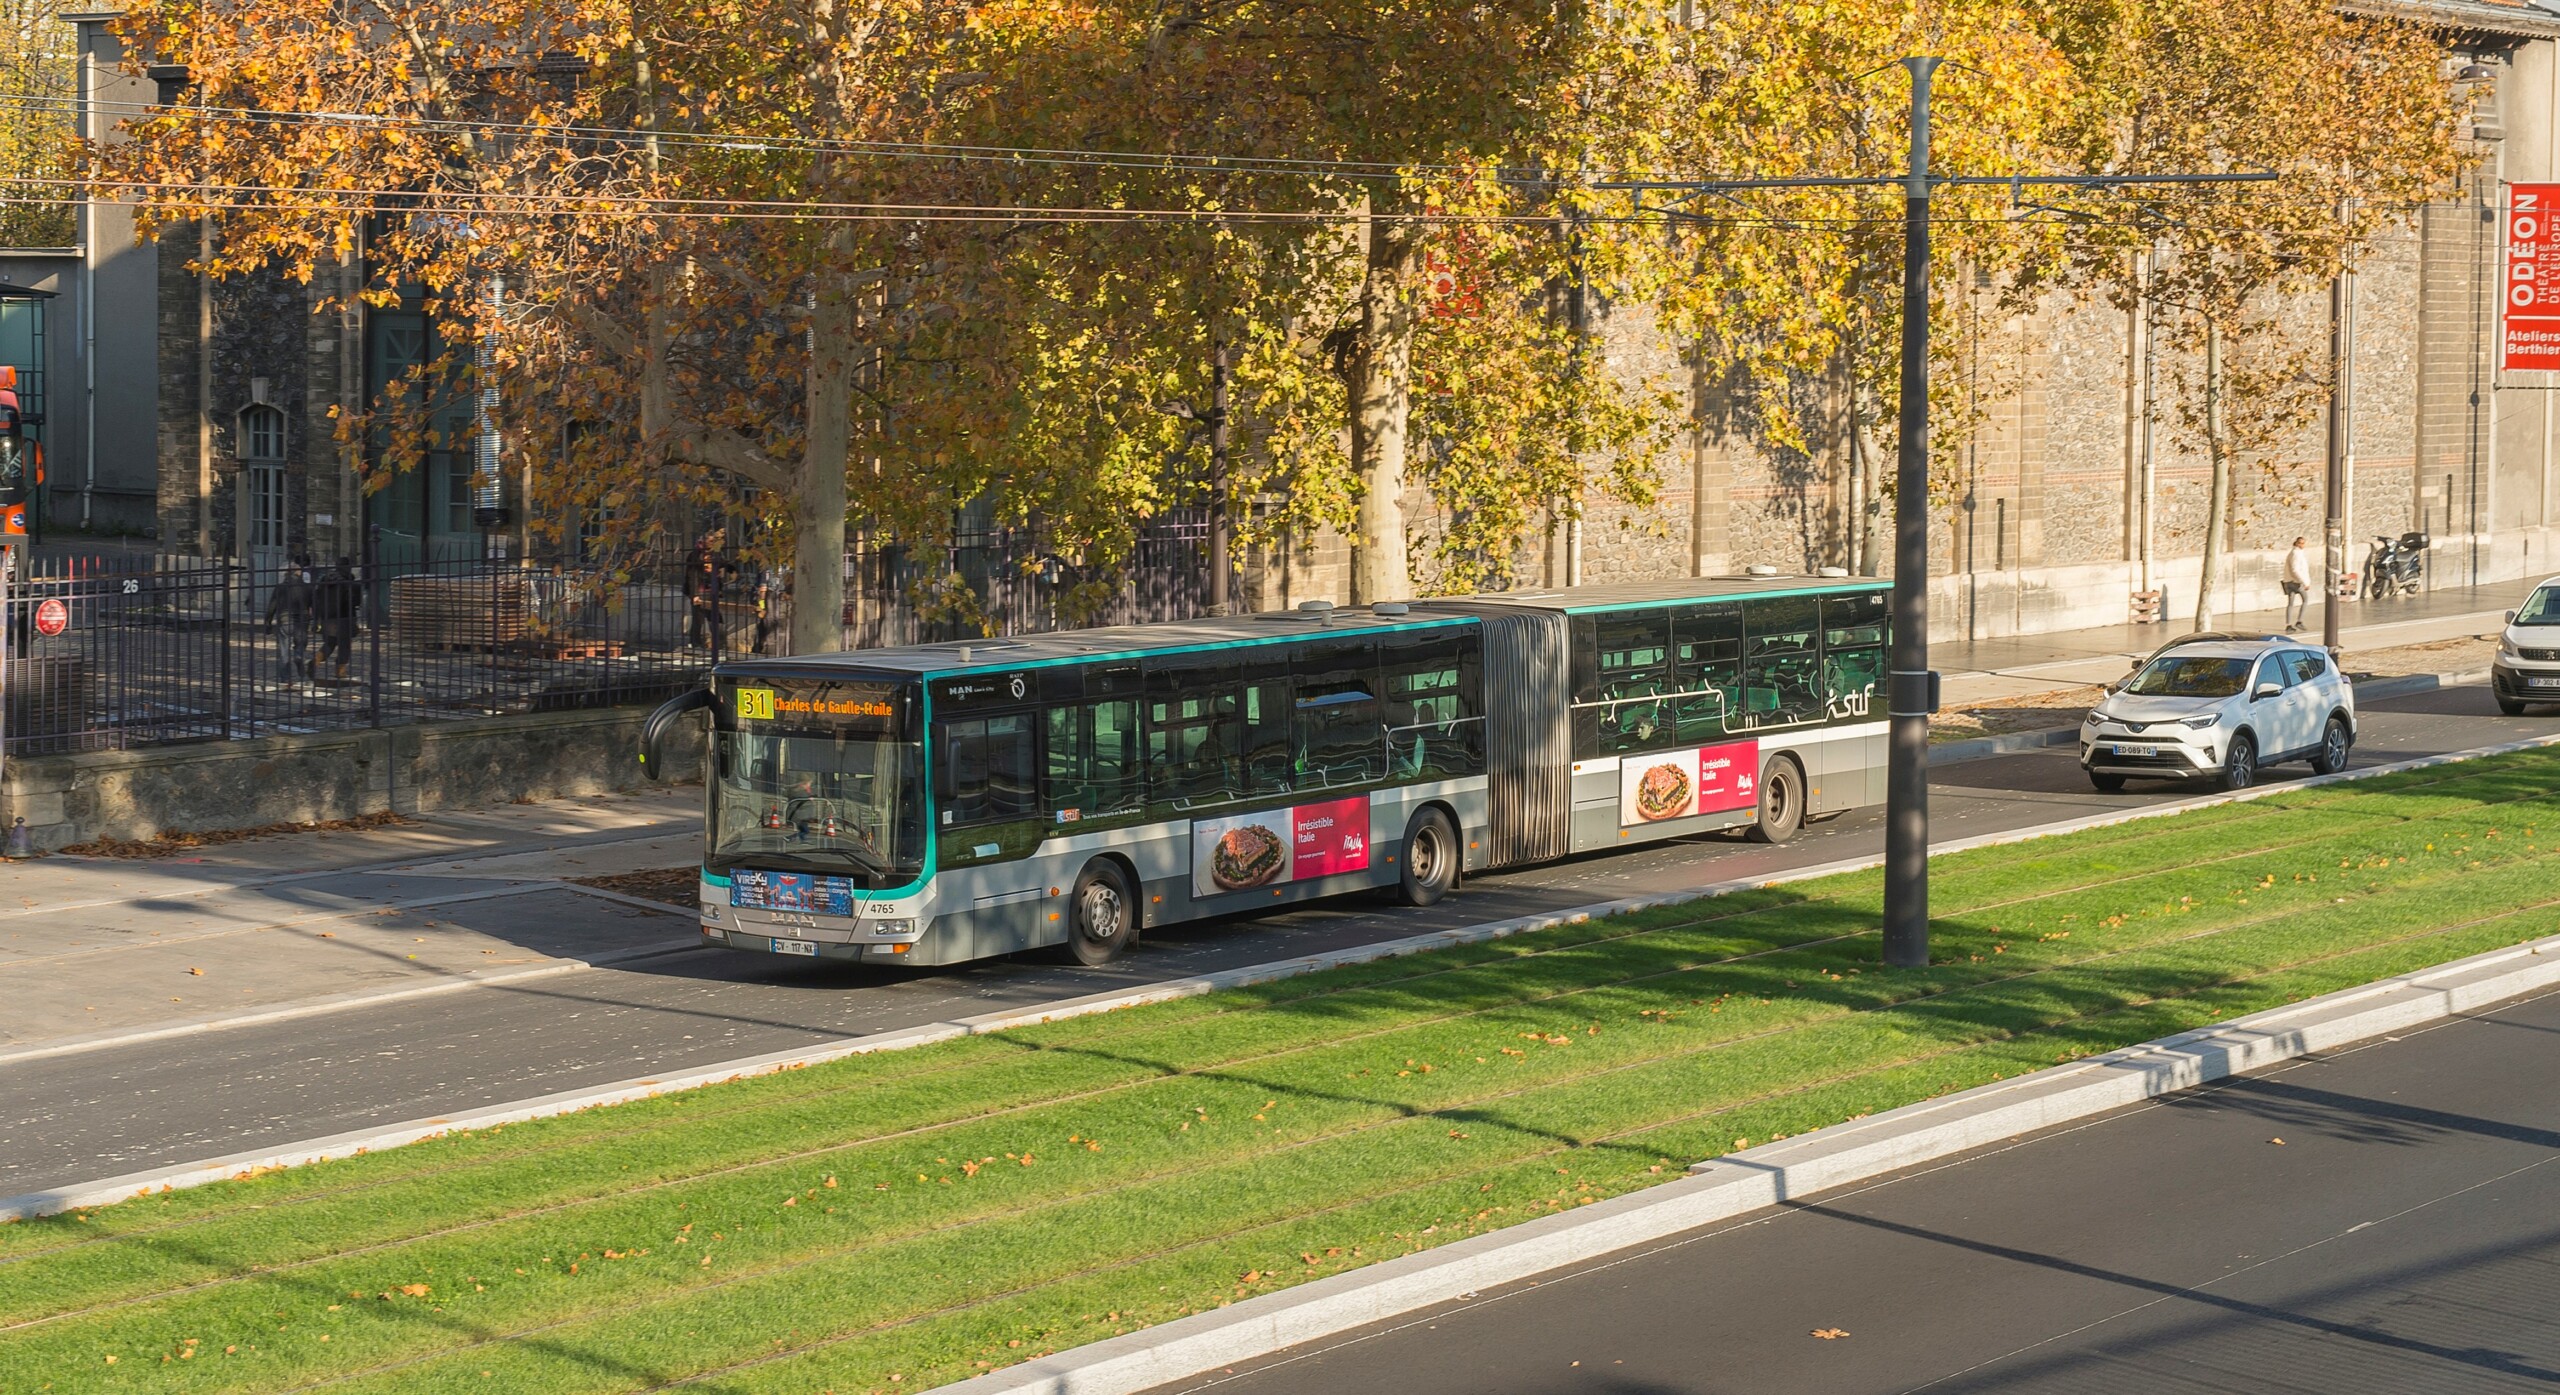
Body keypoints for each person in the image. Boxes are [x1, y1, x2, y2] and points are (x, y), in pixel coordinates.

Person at [265, 556, 316, 683]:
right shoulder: (308, 588)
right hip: (302, 621)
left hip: (284, 620)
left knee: (284, 651)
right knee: (301, 644)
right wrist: (316, 621)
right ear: (300, 574)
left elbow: (272, 606)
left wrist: (268, 622)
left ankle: (285, 678)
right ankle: (299, 656)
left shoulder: (280, 587)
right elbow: (314, 605)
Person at [684, 528, 732, 654]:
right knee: (698, 618)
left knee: (715, 617)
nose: (713, 543)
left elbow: (723, 564)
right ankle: (695, 643)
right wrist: (694, 595)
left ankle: (717, 643)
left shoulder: (715, 553)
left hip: (712, 590)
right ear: (705, 540)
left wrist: (729, 570)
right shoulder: (695, 554)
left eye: (714, 541)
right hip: (699, 590)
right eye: (711, 541)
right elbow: (692, 576)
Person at [315, 556, 361, 680]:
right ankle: (340, 671)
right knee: (345, 645)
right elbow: (355, 602)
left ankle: (316, 659)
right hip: (345, 617)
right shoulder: (350, 583)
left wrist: (317, 618)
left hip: (328, 617)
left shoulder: (324, 581)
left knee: (330, 642)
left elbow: (317, 598)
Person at [2281, 535, 2314, 631]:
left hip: (2289, 581)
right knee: (2305, 599)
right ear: (2297, 543)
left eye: (2303, 543)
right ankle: (2299, 621)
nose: (2303, 545)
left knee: (2290, 603)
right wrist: (2305, 582)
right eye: (2301, 543)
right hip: (2296, 582)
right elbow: (2295, 570)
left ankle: (2288, 624)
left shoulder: (2293, 553)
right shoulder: (2296, 554)